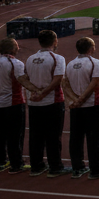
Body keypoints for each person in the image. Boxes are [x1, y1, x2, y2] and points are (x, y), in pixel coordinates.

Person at [25, 30, 68, 177]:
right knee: (53, 135)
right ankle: (55, 166)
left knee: (35, 135)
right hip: (52, 102)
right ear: (55, 41)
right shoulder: (58, 58)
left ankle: (36, 166)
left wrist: (34, 90)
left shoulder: (30, 58)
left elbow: (23, 78)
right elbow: (57, 79)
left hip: (34, 103)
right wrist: (43, 93)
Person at [63, 37, 99, 179]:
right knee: (94, 138)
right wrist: (81, 99)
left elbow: (65, 84)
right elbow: (95, 83)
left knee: (76, 137)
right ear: (90, 48)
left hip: (76, 107)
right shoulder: (96, 63)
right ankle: (95, 168)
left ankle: (77, 167)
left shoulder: (70, 64)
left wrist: (75, 100)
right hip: (92, 105)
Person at [0, 37, 31, 174]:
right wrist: (38, 90)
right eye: (17, 46)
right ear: (13, 49)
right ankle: (16, 163)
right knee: (15, 135)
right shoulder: (16, 63)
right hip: (14, 103)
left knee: (0, 134)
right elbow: (23, 81)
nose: (19, 48)